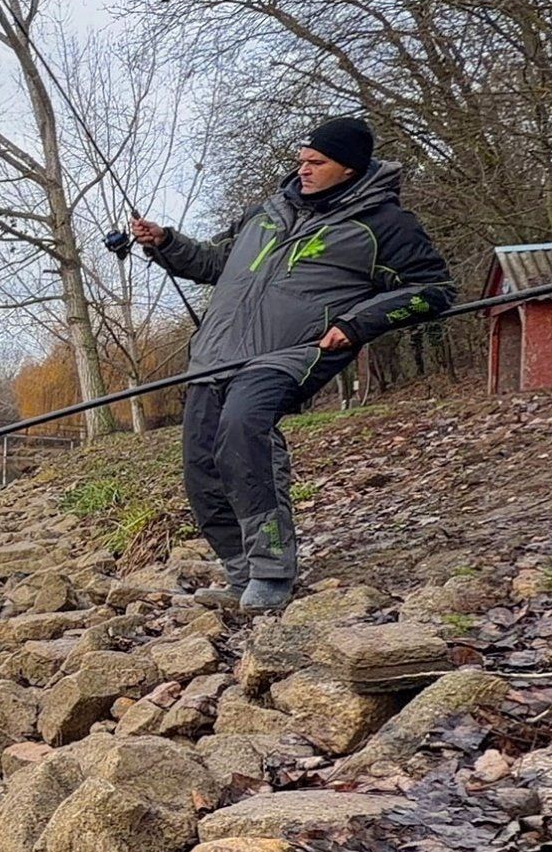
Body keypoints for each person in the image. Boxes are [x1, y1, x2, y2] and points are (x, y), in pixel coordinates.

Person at [123, 116, 454, 612]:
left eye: (316, 162)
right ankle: (242, 575)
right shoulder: (267, 212)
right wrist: (166, 242)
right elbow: (215, 264)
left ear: (349, 168)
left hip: (292, 353)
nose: (303, 169)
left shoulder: (384, 224)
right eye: (301, 159)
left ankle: (274, 570)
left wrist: (359, 323)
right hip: (213, 355)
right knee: (200, 465)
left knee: (243, 428)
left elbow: (434, 290)